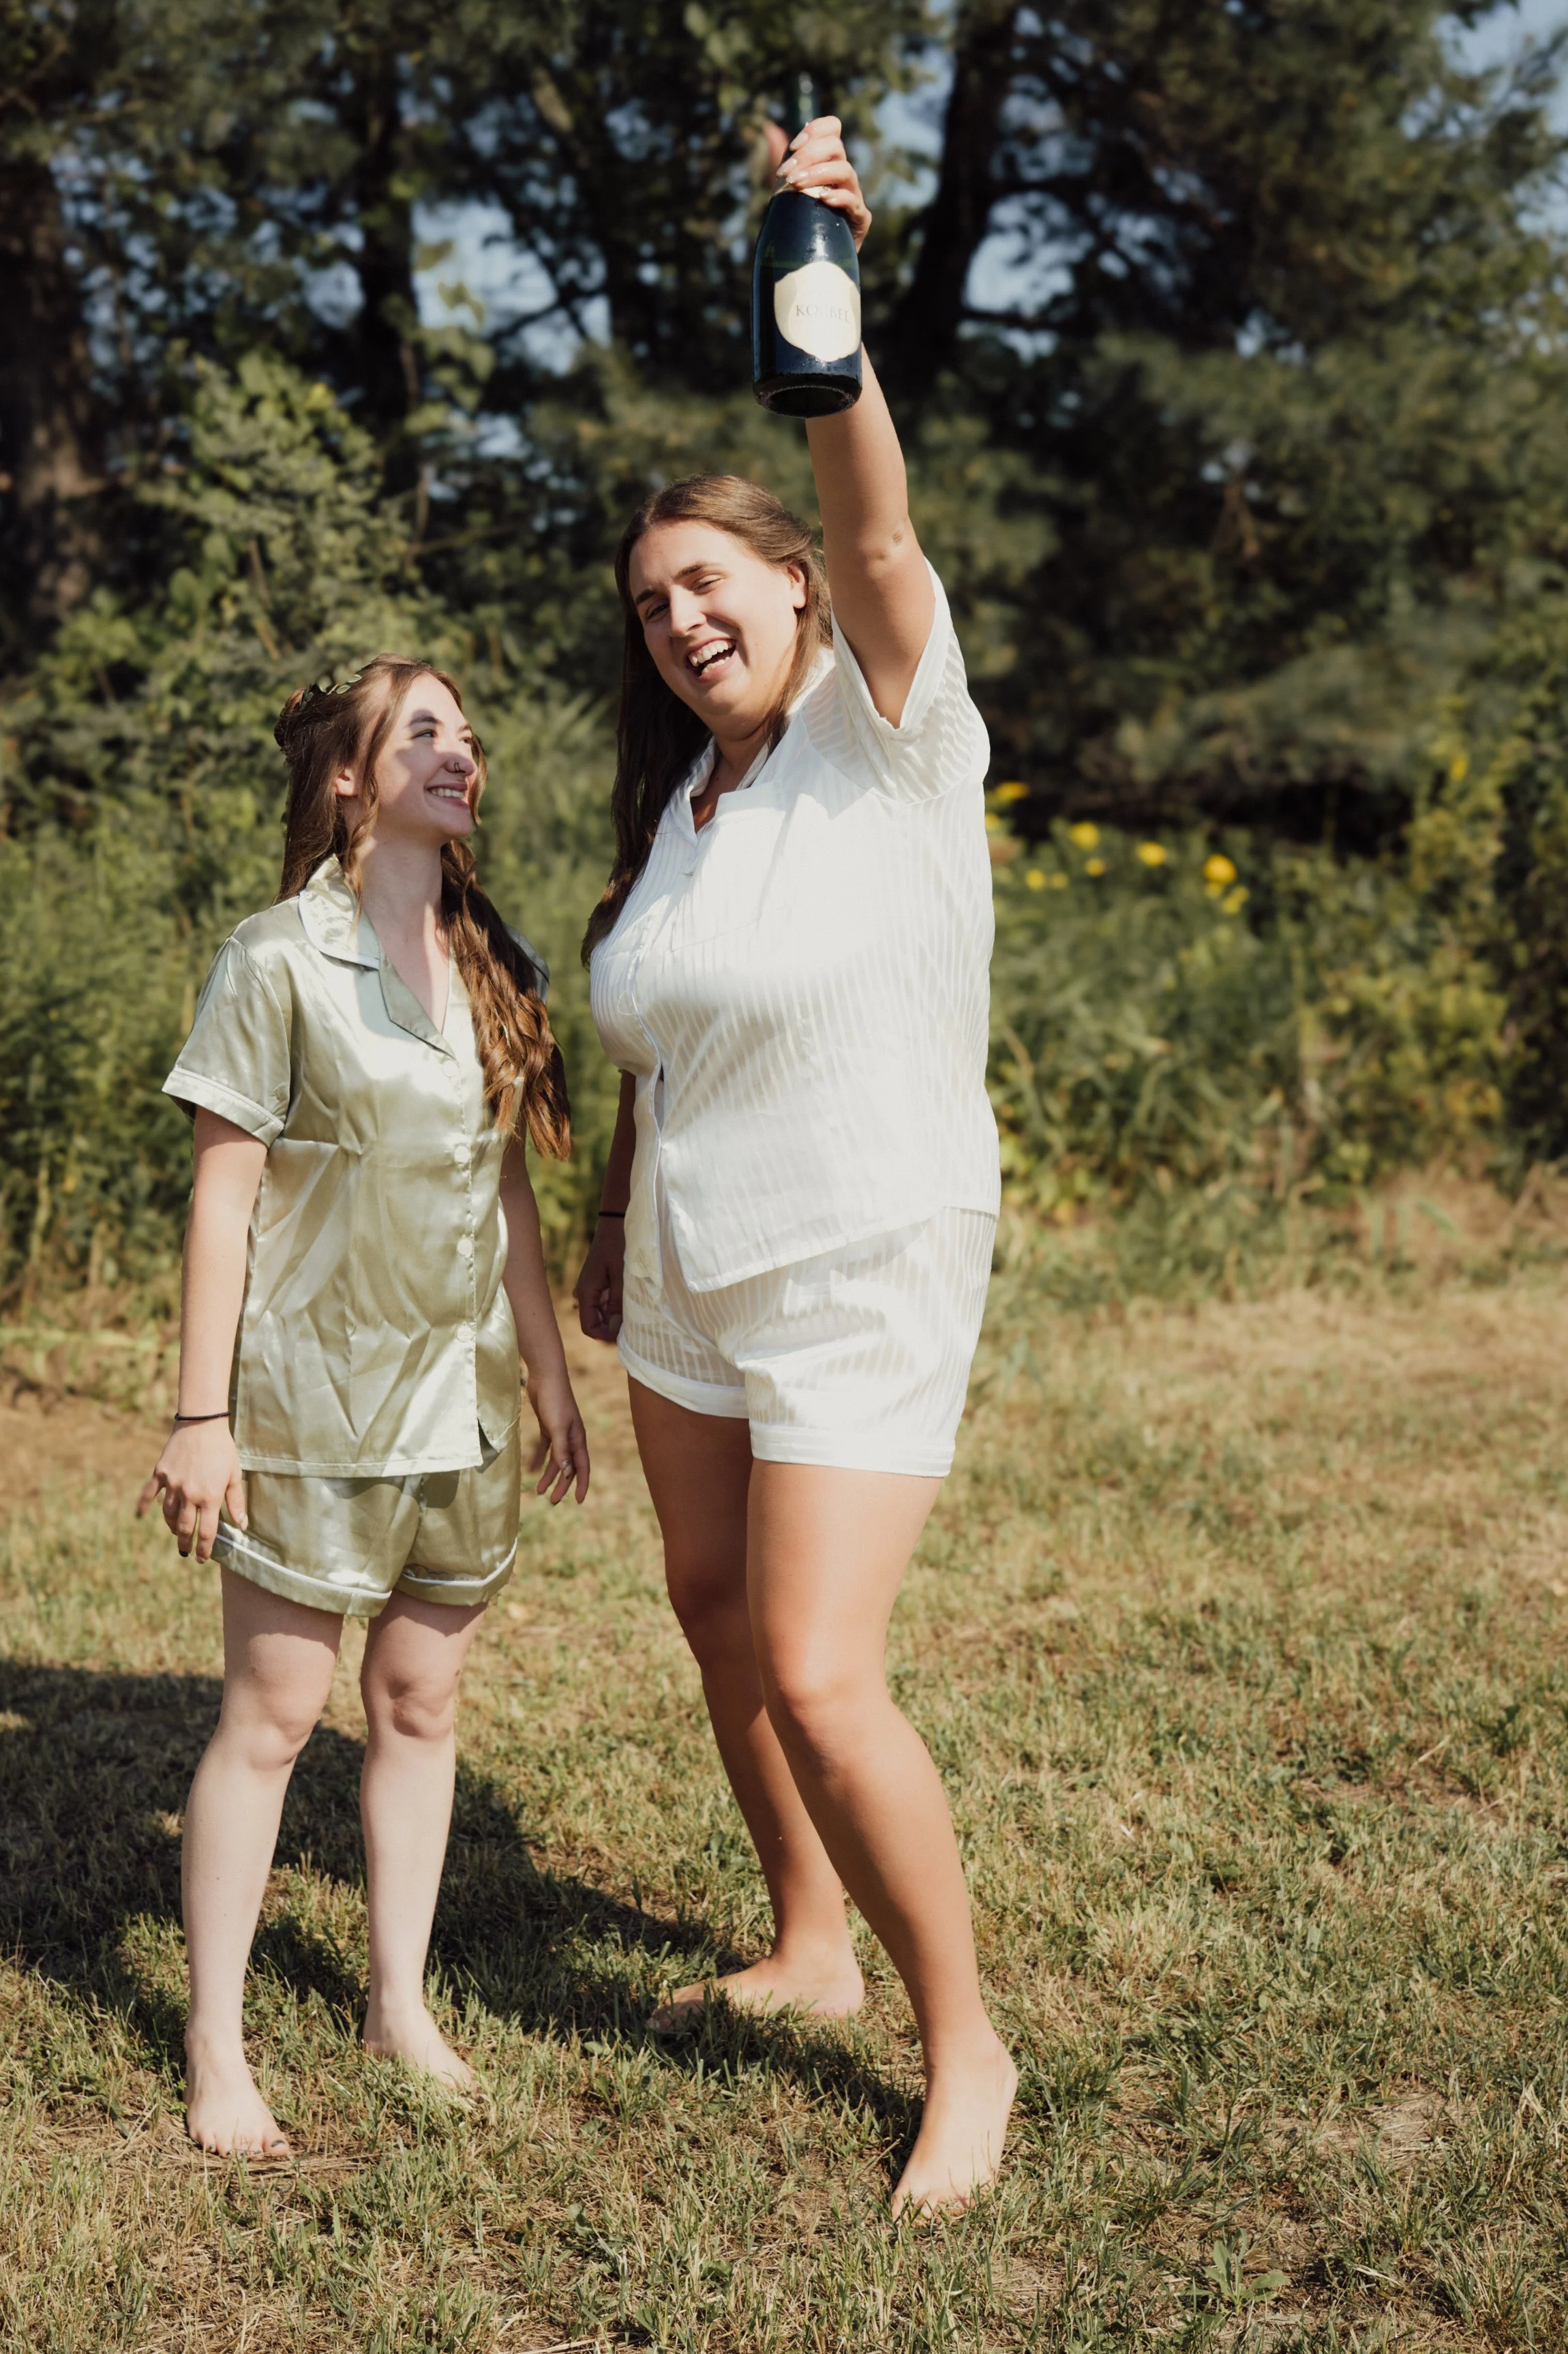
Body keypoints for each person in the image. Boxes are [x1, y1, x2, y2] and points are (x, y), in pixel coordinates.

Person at [575, 115, 1014, 2216]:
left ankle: (969, 2046)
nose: (678, 620)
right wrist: (603, 1248)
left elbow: (875, 508)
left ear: (791, 594)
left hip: (858, 1248)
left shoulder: (892, 727)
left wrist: (810, 267)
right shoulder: (695, 807)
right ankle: (810, 1936)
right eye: (652, 602)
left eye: (708, 584)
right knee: (710, 1607)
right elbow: (651, 1045)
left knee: (825, 1665)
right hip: (686, 1273)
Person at [139, 657, 589, 2158]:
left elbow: (505, 1186)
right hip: (309, 1400)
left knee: (419, 1703)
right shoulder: (272, 959)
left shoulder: (491, 955)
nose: (460, 753)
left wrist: (544, 1369)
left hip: (457, 1408)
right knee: (273, 1720)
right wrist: (200, 1418)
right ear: (347, 776)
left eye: (467, 731)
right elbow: (222, 1201)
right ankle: (216, 2043)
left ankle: (399, 2002)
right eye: (423, 733)